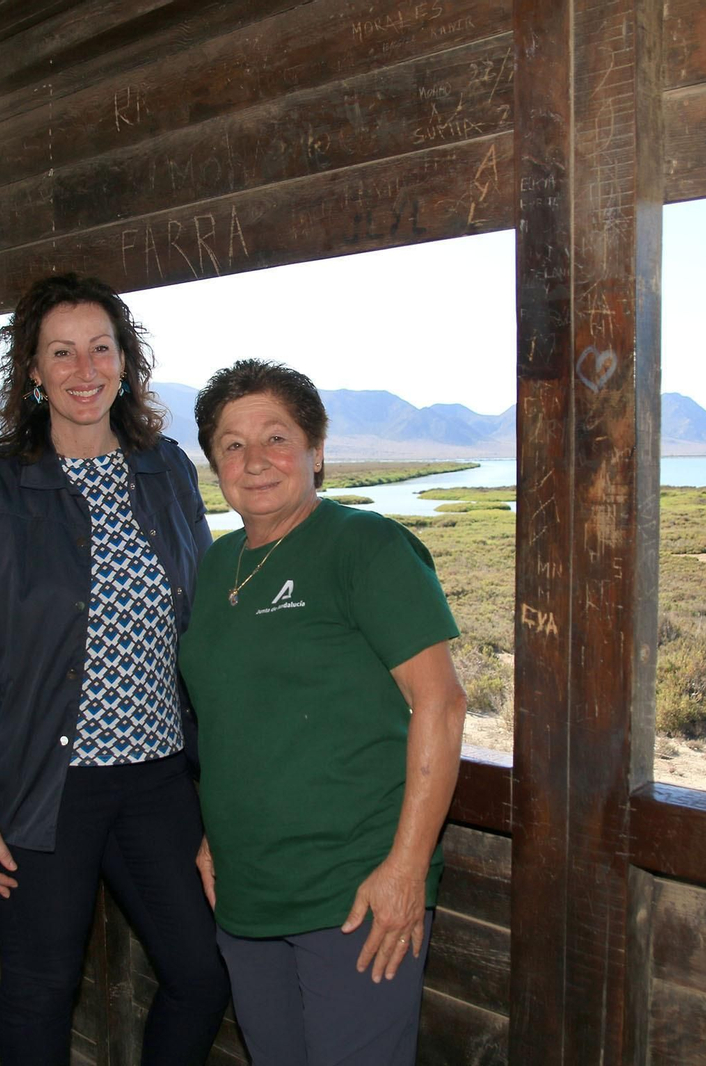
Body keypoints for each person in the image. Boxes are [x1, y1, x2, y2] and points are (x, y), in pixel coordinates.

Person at [0, 273, 228, 1064]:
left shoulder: (166, 468)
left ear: (126, 361)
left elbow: (201, 624)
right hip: (41, 786)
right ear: (31, 371)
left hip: (159, 780)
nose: (83, 368)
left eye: (101, 347)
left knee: (202, 974)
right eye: (60, 352)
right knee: (40, 988)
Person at [180, 359, 467, 1066]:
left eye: (276, 438)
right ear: (213, 462)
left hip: (353, 894)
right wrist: (215, 836)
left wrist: (406, 868)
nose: (255, 461)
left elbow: (442, 703)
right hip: (246, 892)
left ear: (315, 449)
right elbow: (229, 719)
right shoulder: (218, 568)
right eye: (232, 444)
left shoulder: (365, 548)